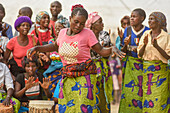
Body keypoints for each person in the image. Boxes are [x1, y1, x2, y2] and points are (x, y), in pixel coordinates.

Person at [27, 6, 124, 113]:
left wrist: (112, 49)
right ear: (70, 18)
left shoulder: (88, 33)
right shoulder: (63, 32)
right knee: (67, 107)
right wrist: (37, 48)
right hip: (68, 76)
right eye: (76, 22)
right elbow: (55, 46)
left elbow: (100, 50)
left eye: (82, 24)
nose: (78, 26)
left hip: (85, 76)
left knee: (83, 107)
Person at [137, 12, 170, 113]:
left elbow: (168, 56)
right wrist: (144, 44)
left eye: (152, 19)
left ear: (159, 22)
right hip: (147, 72)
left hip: (161, 73)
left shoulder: (166, 36)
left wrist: (156, 46)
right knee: (148, 98)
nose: (149, 21)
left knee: (160, 98)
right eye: (149, 19)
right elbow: (140, 54)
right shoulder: (146, 34)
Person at [119, 8, 150, 113]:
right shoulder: (127, 30)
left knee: (141, 90)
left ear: (142, 18)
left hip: (143, 65)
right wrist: (126, 45)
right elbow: (123, 50)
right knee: (129, 90)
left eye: (134, 16)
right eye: (131, 16)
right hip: (130, 66)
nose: (131, 18)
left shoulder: (147, 31)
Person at [85, 11, 113, 112]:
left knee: (102, 92)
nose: (103, 24)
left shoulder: (104, 34)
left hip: (102, 68)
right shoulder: (85, 35)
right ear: (92, 25)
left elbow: (106, 53)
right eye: (99, 22)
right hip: (89, 68)